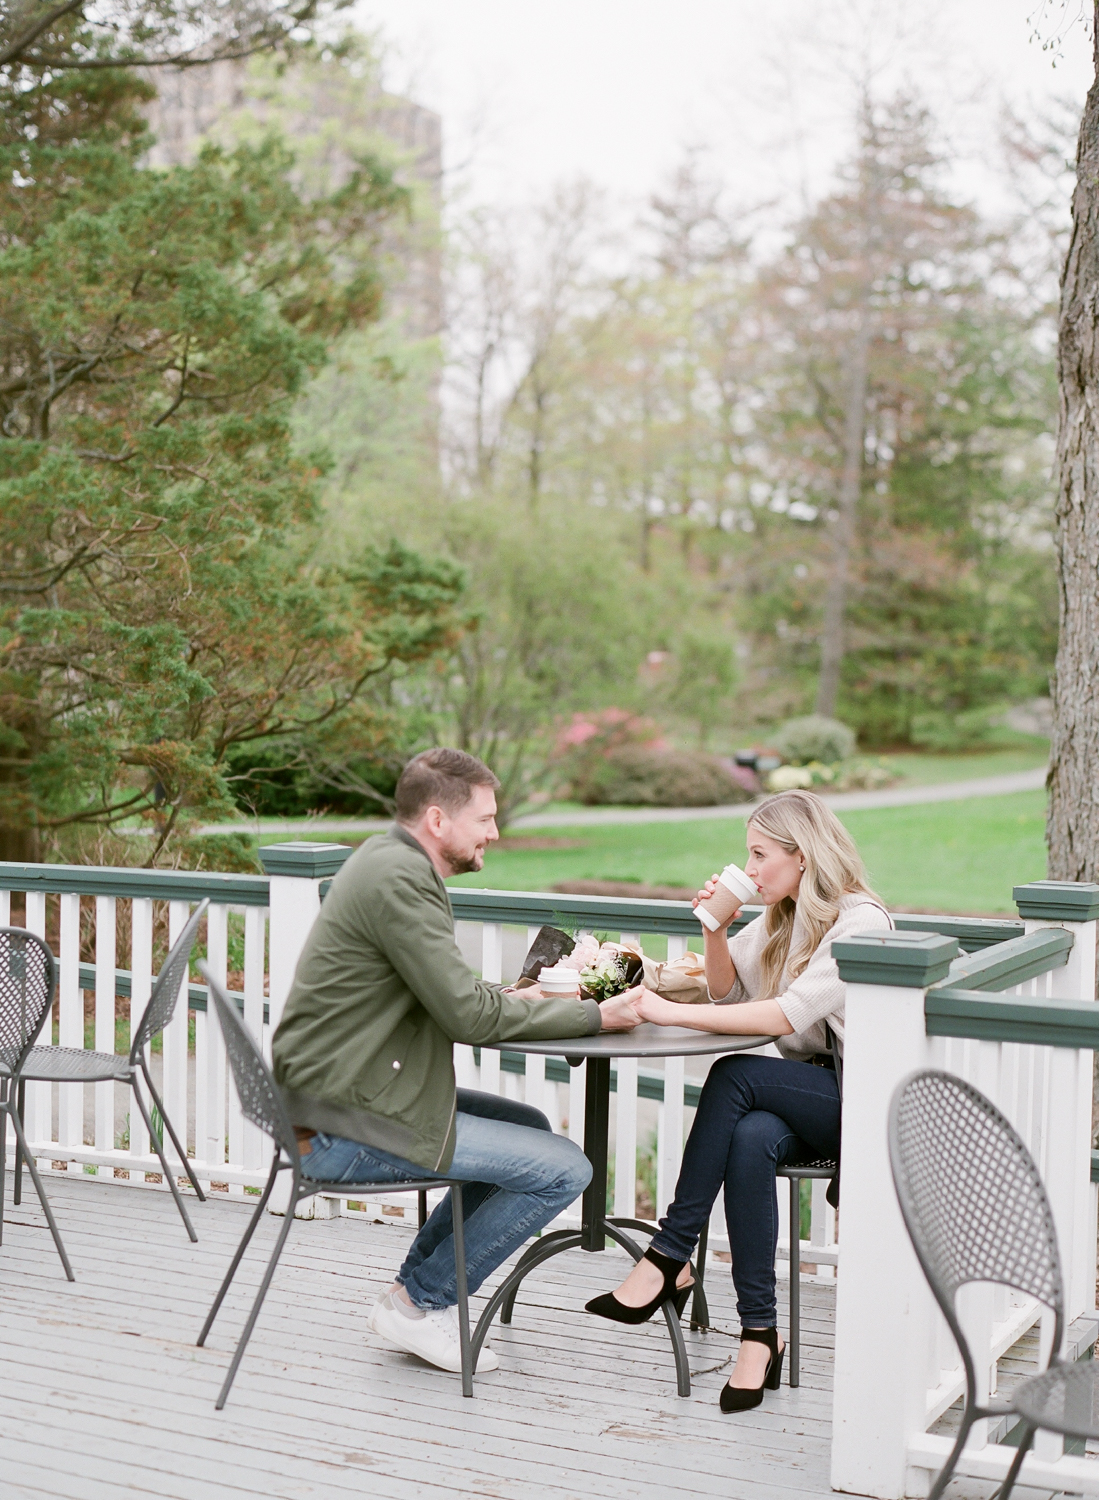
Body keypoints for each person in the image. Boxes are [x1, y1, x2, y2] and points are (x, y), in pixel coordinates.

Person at [272, 747, 640, 1376]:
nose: (495, 833)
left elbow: (455, 997)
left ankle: (408, 1295)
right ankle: (425, 1301)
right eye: (486, 819)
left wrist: (513, 996)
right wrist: (596, 1016)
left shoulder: (388, 860)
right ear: (438, 820)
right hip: (339, 1125)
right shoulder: (400, 880)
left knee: (524, 1126)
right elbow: (466, 1019)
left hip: (345, 1095)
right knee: (567, 1168)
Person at [584, 789, 892, 1412]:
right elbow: (727, 994)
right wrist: (716, 928)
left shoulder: (860, 920)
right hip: (815, 1099)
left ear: (801, 856)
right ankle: (759, 1333)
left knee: (734, 1077)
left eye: (759, 855)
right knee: (750, 1139)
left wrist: (662, 1008)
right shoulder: (781, 916)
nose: (748, 870)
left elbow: (786, 1014)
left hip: (863, 1104)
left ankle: (669, 1252)